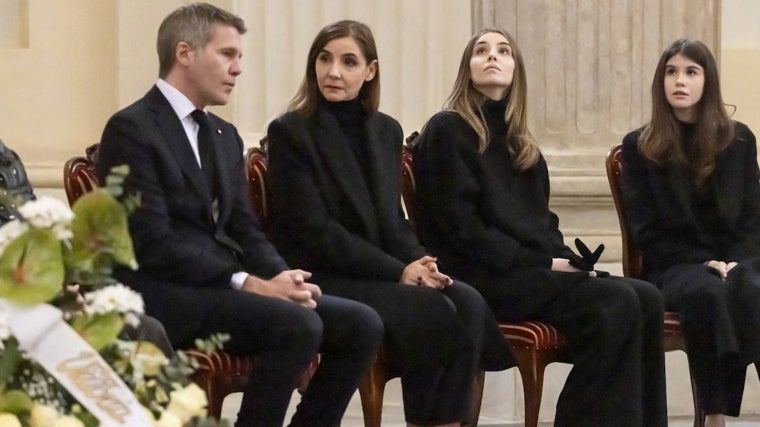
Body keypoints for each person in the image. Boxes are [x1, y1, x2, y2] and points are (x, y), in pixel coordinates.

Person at [95, 4, 383, 427]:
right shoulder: (132, 128)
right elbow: (152, 241)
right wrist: (249, 282)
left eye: (240, 58)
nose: (238, 68)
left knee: (362, 323)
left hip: (220, 288)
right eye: (228, 54)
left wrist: (284, 280)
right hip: (160, 291)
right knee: (296, 325)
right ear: (185, 53)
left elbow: (245, 229)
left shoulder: (222, 134)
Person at [412, 28, 667, 427]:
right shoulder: (448, 130)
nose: (492, 57)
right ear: (467, 68)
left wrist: (570, 261)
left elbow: (542, 224)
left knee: (647, 297)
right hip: (479, 275)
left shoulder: (522, 146)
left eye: (503, 51)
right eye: (481, 51)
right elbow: (462, 230)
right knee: (615, 304)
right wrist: (545, 262)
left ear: (517, 70)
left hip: (526, 273)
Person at [266, 20, 515, 427]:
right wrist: (399, 271)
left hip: (378, 272)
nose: (333, 72)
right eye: (324, 59)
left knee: (465, 298)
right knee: (428, 306)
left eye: (349, 62)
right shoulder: (291, 131)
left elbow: (392, 219)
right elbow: (316, 231)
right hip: (323, 271)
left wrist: (421, 262)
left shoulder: (385, 130)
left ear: (370, 71)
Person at [621, 38, 760, 427]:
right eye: (671, 71)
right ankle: (714, 415)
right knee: (705, 291)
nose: (679, 80)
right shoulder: (640, 146)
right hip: (675, 265)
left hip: (739, 257)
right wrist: (704, 262)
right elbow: (646, 230)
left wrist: (734, 261)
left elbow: (753, 218)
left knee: (751, 288)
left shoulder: (740, 140)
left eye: (690, 71)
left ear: (707, 82)